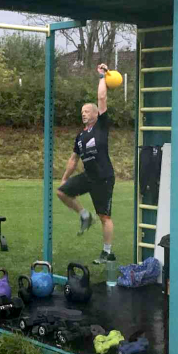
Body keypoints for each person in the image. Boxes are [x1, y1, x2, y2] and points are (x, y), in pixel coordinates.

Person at [57, 63, 115, 264]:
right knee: (61, 192)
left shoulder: (101, 126)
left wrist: (102, 77)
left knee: (104, 216)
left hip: (103, 177)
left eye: (87, 111)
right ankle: (84, 215)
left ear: (96, 114)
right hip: (88, 176)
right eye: (82, 111)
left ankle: (107, 252)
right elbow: (74, 159)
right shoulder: (81, 136)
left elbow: (102, 98)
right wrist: (65, 178)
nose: (83, 114)